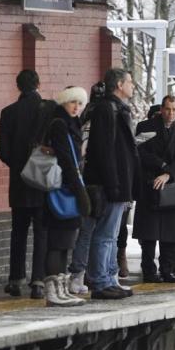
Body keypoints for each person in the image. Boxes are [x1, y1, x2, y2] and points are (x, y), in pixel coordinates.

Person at [84, 68, 139, 300]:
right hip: (111, 183)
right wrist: (114, 183)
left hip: (118, 181)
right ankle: (99, 280)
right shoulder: (108, 109)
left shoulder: (116, 108)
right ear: (118, 84)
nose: (133, 86)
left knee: (112, 233)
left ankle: (108, 277)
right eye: (130, 82)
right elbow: (105, 150)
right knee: (105, 233)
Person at [0, 70, 48, 298]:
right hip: (43, 179)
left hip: (18, 181)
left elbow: (2, 151)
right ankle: (38, 280)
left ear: (18, 86)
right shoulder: (49, 109)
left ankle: (15, 279)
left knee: (18, 231)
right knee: (41, 230)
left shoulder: (8, 112)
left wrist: (19, 166)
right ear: (38, 83)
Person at [40, 88, 89, 307]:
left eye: (80, 103)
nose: (76, 107)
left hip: (67, 187)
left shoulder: (70, 123)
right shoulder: (60, 124)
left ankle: (61, 287)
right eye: (72, 103)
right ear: (64, 103)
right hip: (63, 189)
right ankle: (53, 291)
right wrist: (81, 192)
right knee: (58, 242)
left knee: (65, 242)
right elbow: (68, 160)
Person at [134, 95, 175, 283]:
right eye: (168, 109)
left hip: (171, 187)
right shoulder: (145, 127)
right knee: (149, 233)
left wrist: (168, 174)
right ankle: (149, 269)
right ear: (161, 109)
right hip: (149, 183)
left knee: (170, 232)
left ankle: (167, 268)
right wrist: (163, 165)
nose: (171, 113)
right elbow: (140, 153)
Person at [67, 81, 106, 294]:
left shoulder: (81, 121)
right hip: (92, 183)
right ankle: (82, 273)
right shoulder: (98, 121)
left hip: (84, 181)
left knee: (86, 231)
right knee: (90, 230)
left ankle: (80, 274)